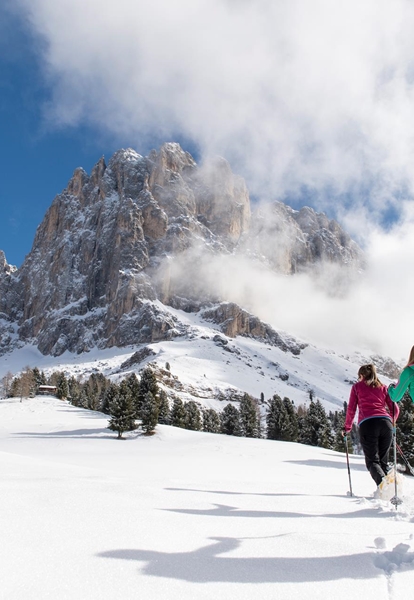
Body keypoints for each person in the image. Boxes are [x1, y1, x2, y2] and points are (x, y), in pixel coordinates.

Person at [344, 364, 399, 487]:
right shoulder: (383, 387)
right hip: (386, 424)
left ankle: (384, 488)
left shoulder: (357, 387)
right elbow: (395, 409)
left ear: (362, 375)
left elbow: (351, 409)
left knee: (372, 461)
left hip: (368, 424)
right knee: (383, 462)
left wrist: (347, 428)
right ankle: (391, 489)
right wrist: (392, 421)